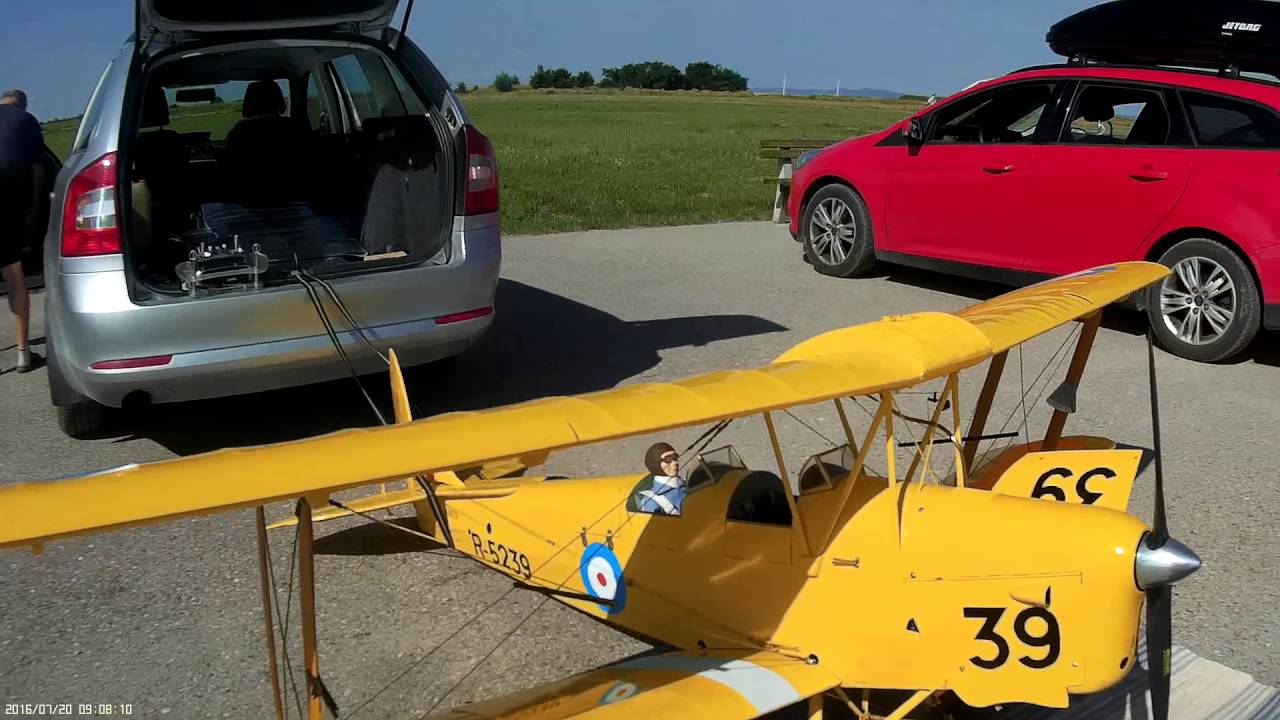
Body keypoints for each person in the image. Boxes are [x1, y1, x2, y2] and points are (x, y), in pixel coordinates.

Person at [0, 89, 45, 373]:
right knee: (14, 276)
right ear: (23, 106)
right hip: (4, 202)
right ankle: (22, 354)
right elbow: (39, 172)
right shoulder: (26, 120)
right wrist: (33, 216)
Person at [637, 442, 686, 516]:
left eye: (675, 457)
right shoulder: (651, 502)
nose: (675, 463)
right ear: (656, 463)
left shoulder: (685, 484)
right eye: (668, 459)